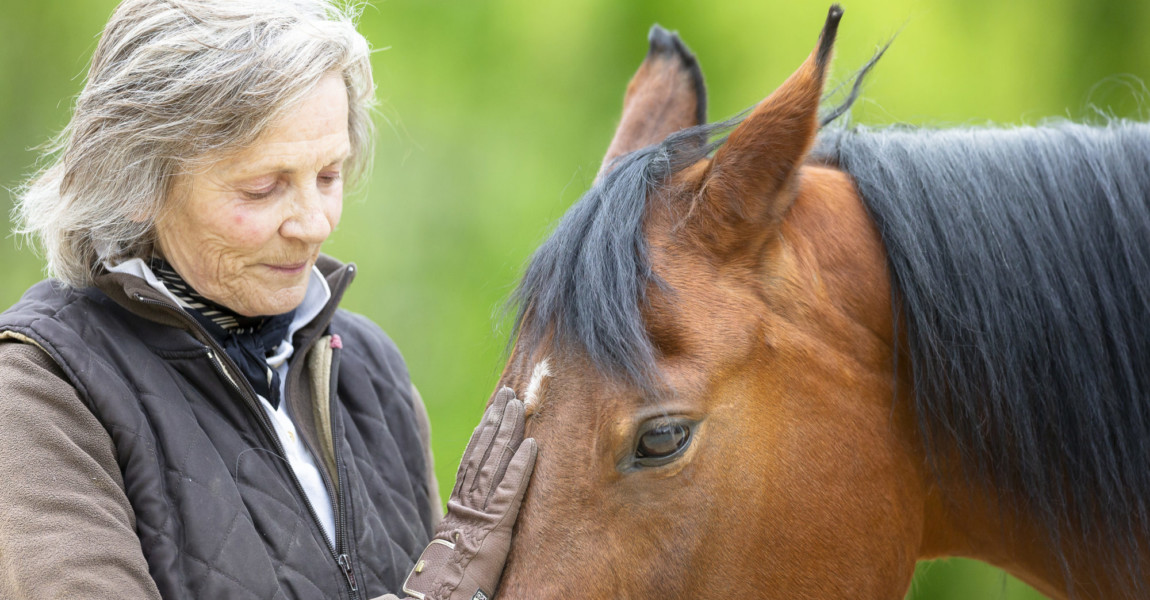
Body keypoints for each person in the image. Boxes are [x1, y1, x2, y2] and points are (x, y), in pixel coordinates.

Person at [0, 1, 535, 599]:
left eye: (328, 176)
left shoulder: (368, 370)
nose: (314, 224)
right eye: (264, 187)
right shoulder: (40, 391)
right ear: (135, 181)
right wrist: (445, 584)